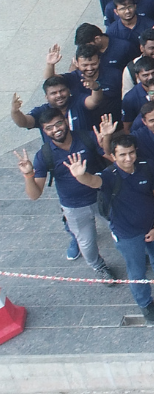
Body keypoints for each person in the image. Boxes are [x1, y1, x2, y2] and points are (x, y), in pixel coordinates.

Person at [77, 131, 154, 324]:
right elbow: (93, 181)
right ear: (113, 156)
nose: (128, 158)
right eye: (122, 155)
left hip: (152, 226)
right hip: (127, 234)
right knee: (136, 270)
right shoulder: (109, 176)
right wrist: (80, 176)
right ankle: (145, 303)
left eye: (131, 153)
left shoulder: (147, 167)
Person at [15, 106, 117, 280]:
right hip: (74, 206)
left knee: (121, 230)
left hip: (102, 197)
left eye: (58, 124)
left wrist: (106, 140)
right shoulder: (44, 154)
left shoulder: (87, 137)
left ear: (66, 121)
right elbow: (34, 194)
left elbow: (112, 158)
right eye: (49, 128)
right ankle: (99, 267)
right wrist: (28, 174)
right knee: (87, 243)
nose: (55, 130)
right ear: (44, 130)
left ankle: (134, 254)